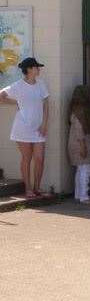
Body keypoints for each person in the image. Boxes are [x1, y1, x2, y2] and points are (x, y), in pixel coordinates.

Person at [0, 58, 49, 198]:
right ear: (29, 69)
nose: (39, 69)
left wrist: (44, 124)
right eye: (36, 67)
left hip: (39, 128)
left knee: (39, 158)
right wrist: (15, 103)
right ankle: (28, 189)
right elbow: (1, 96)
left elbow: (46, 104)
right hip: (22, 127)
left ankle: (37, 188)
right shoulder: (18, 86)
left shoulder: (41, 84)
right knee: (26, 158)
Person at [68, 85, 90, 205]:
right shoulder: (81, 111)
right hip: (81, 144)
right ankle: (84, 197)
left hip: (78, 143)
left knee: (80, 169)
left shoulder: (77, 109)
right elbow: (79, 130)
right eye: (89, 93)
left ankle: (78, 195)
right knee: (85, 169)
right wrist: (83, 146)